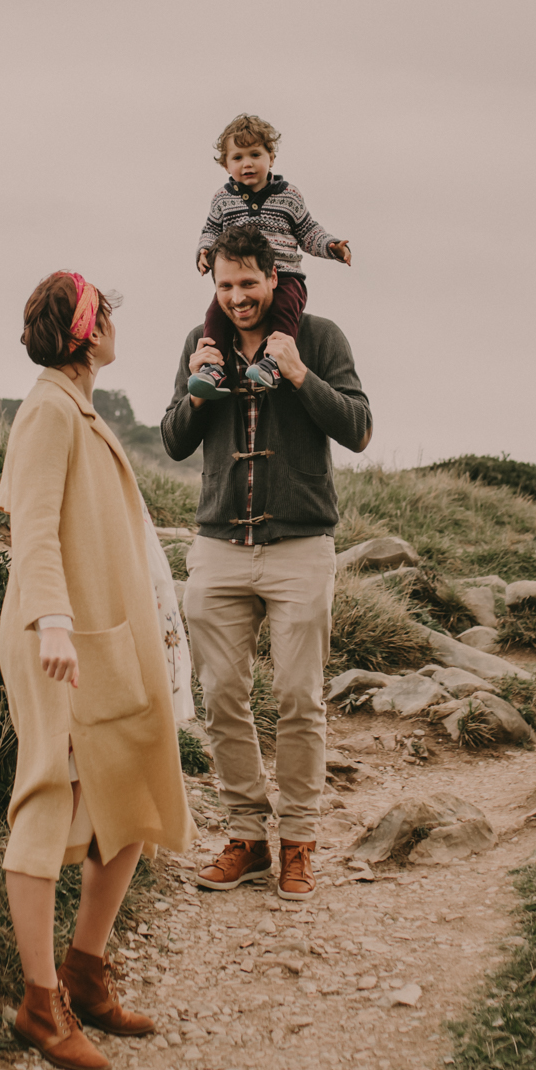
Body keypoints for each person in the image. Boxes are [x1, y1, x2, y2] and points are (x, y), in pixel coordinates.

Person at [0, 271, 196, 1070]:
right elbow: (33, 528)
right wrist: (51, 621)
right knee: (51, 798)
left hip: (106, 636)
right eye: (105, 315)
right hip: (61, 643)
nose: (115, 326)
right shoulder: (47, 408)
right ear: (85, 330)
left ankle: (86, 967)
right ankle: (40, 1005)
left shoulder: (78, 405)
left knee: (135, 792)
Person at [160, 224, 373, 902]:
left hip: (300, 548)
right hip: (218, 546)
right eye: (224, 285)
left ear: (274, 278)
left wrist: (300, 375)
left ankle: (301, 841)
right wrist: (198, 389)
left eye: (248, 283)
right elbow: (172, 440)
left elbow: (360, 428)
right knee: (220, 698)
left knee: (298, 699)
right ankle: (248, 836)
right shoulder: (201, 344)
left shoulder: (321, 338)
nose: (236, 297)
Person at [188, 113, 353, 399]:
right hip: (241, 275)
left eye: (255, 154)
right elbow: (211, 231)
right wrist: (204, 251)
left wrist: (331, 246)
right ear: (225, 164)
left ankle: (274, 363)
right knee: (215, 315)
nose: (247, 163)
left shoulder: (288, 196)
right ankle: (213, 369)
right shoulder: (222, 199)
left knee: (285, 312)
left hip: (286, 274)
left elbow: (308, 231)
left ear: (271, 158)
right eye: (237, 157)